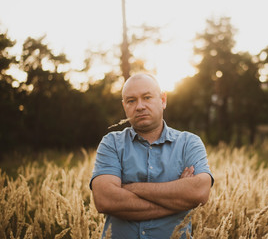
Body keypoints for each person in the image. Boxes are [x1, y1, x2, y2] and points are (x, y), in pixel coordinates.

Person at [90, 73, 214, 239]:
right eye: (131, 100)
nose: (140, 106)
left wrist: (129, 188)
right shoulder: (111, 143)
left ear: (163, 100)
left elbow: (199, 193)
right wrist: (177, 201)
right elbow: (105, 200)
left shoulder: (188, 143)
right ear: (124, 106)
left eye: (147, 97)